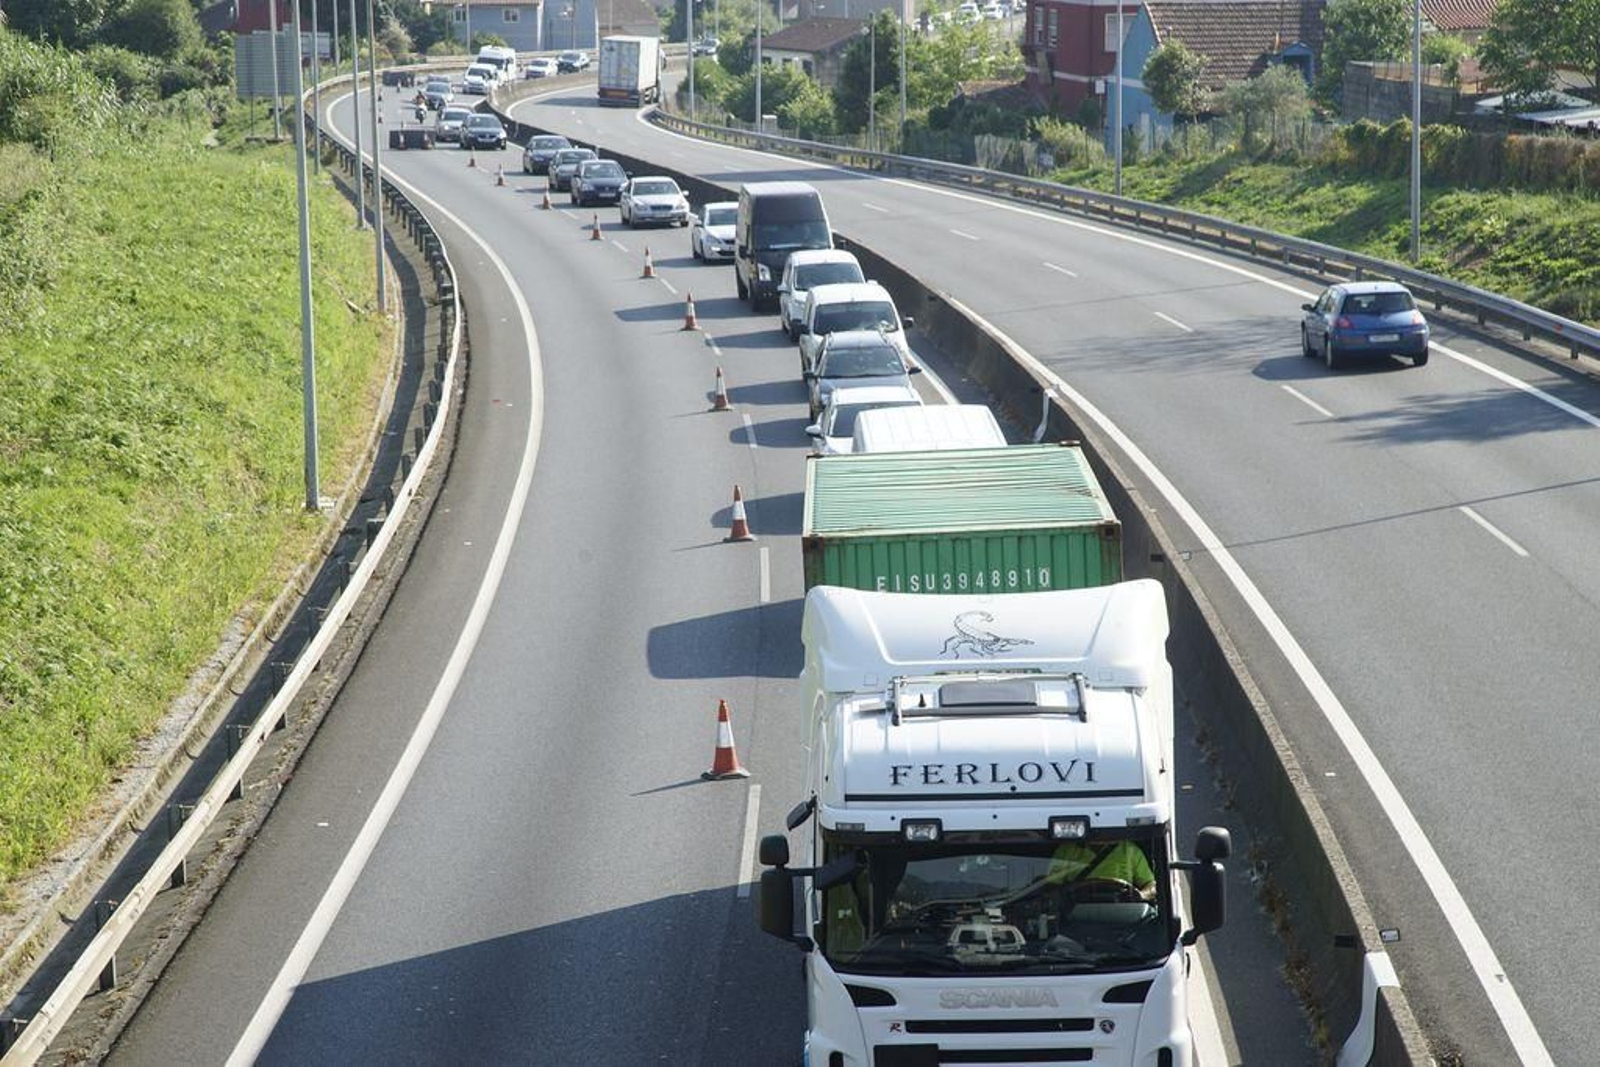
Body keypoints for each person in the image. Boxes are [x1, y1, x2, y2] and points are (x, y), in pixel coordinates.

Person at [1045, 838, 1156, 901]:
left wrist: (1142, 895)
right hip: (1076, 913)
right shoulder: (1067, 850)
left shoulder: (1129, 850)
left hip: (1122, 913)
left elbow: (1151, 885)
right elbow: (1051, 888)